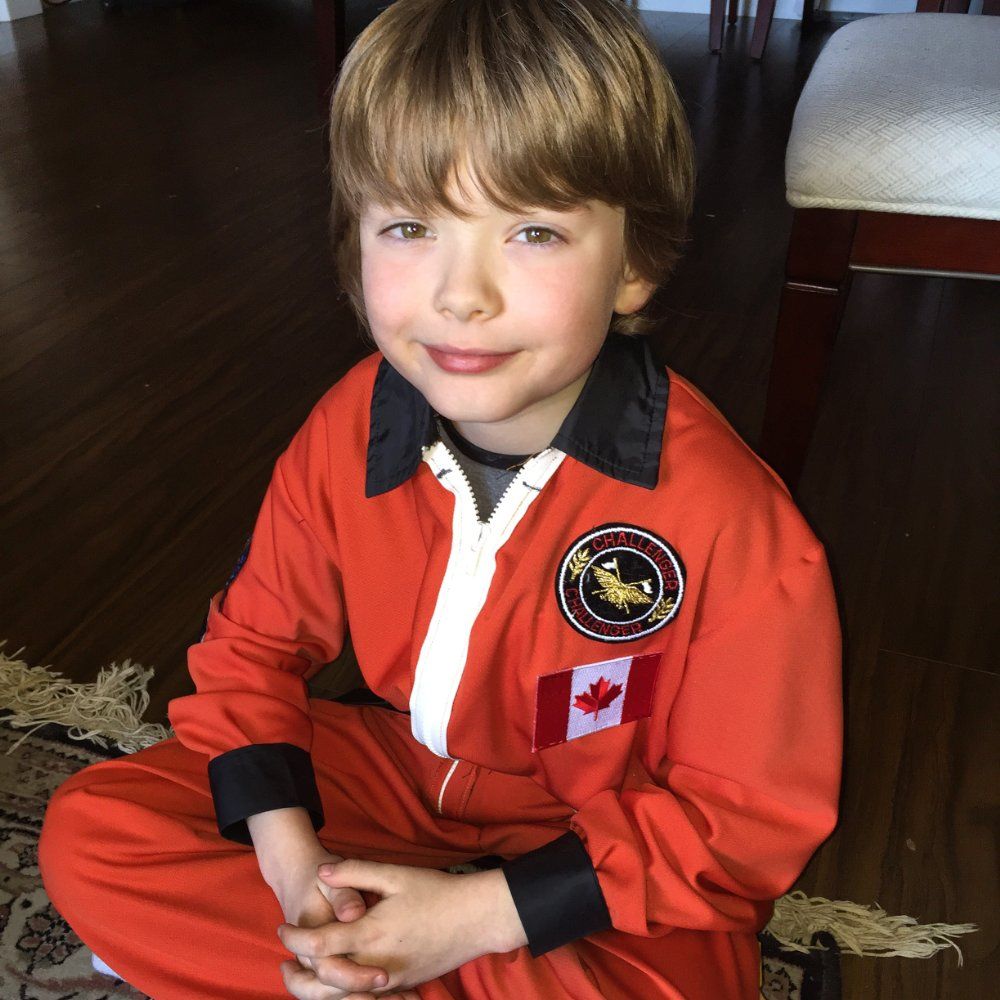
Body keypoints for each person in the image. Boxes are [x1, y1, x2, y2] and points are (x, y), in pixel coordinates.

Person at [37, 1, 843, 997]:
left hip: (605, 838)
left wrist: (476, 916)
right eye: (411, 227)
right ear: (354, 242)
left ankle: (351, 965)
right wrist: (292, 869)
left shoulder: (737, 525)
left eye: (533, 231)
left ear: (633, 265)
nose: (462, 296)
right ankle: (360, 959)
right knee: (93, 833)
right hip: (401, 777)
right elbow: (250, 651)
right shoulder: (352, 422)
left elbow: (746, 820)